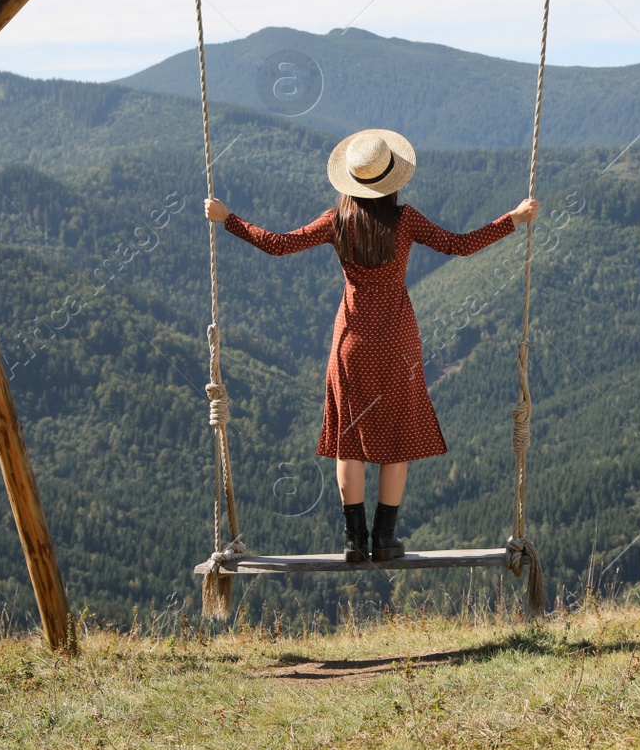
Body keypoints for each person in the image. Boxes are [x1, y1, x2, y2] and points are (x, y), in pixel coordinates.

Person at [204, 128, 538, 563]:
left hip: (351, 343)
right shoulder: (406, 220)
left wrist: (228, 219)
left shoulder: (336, 221)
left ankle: (353, 542)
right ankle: (384, 539)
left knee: (349, 439)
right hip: (398, 340)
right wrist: (512, 219)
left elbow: (278, 246)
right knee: (396, 437)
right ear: (392, 179)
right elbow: (458, 246)